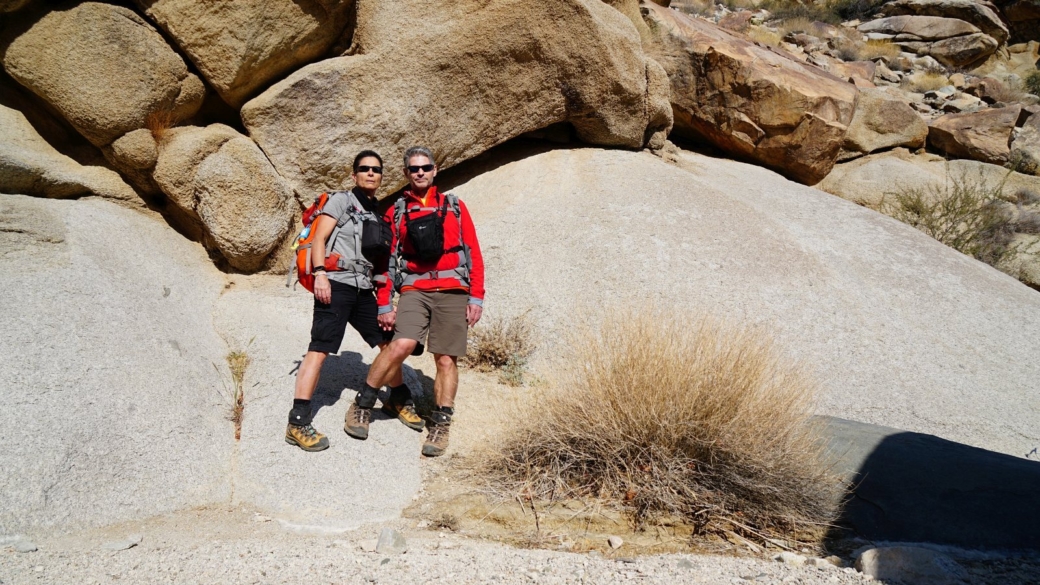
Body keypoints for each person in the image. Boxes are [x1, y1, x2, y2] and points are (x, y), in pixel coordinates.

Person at [347, 146, 484, 457]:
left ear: (434, 171)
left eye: (425, 167)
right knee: (401, 345)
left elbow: (473, 253)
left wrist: (476, 296)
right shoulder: (396, 212)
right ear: (406, 174)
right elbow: (386, 263)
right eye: (414, 168)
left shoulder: (455, 206)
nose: (420, 172)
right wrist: (384, 304)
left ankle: (441, 424)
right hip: (414, 289)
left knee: (446, 359)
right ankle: (363, 403)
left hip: (453, 290)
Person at [285, 150, 424, 452]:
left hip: (364, 289)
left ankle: (397, 398)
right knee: (320, 349)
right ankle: (297, 421)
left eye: (376, 169)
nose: (371, 173)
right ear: (354, 174)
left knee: (389, 343)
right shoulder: (341, 200)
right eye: (364, 169)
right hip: (336, 284)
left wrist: (386, 299)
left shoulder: (377, 212)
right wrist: (320, 273)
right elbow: (320, 238)